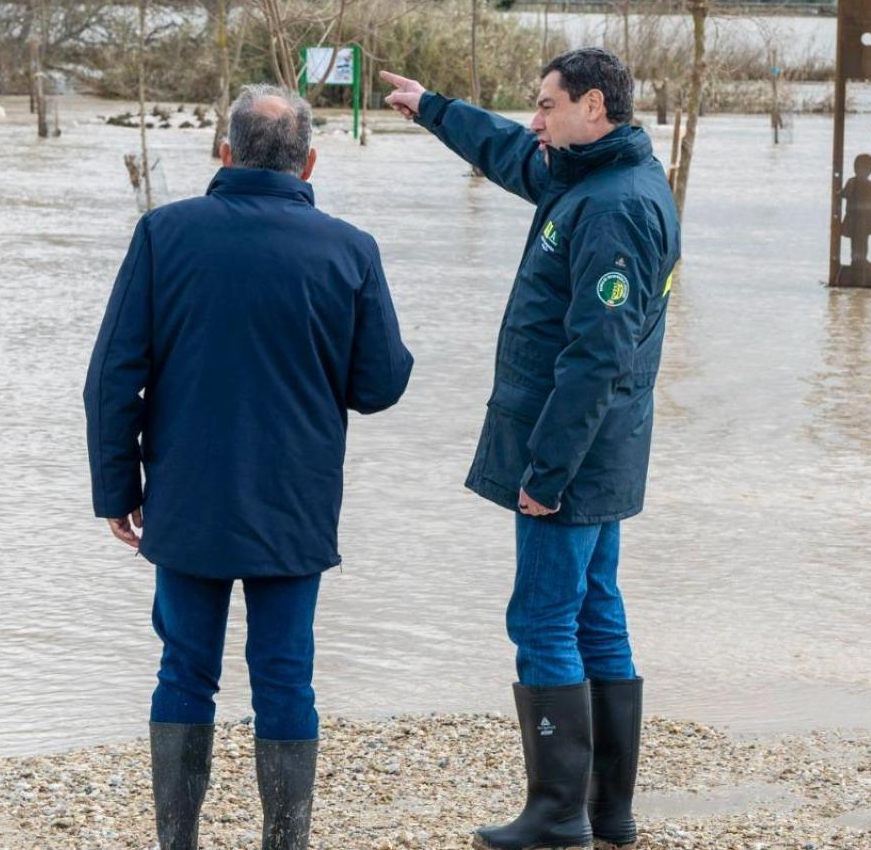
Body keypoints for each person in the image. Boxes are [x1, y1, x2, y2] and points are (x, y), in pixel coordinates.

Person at [83, 85, 413, 850]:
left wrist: (118, 489)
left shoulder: (164, 233)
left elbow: (112, 376)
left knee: (183, 670)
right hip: (294, 498)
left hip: (187, 493)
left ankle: (178, 843)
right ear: (309, 163)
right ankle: (285, 842)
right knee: (286, 676)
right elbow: (379, 385)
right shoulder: (348, 249)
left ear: (225, 152)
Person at [381, 49, 680, 850]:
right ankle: (606, 811)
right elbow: (512, 153)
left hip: (574, 457)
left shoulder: (614, 207)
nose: (536, 119)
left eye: (547, 105)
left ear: (593, 106)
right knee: (596, 610)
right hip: (601, 451)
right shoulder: (586, 176)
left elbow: (597, 357)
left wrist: (545, 475)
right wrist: (434, 108)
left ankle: (556, 812)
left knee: (545, 617)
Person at [840, 153, 871, 267]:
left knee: (862, 242)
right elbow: (845, 194)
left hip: (865, 220)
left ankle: (861, 260)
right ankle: (856, 261)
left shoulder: (868, 184)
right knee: (857, 241)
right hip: (854, 219)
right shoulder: (852, 182)